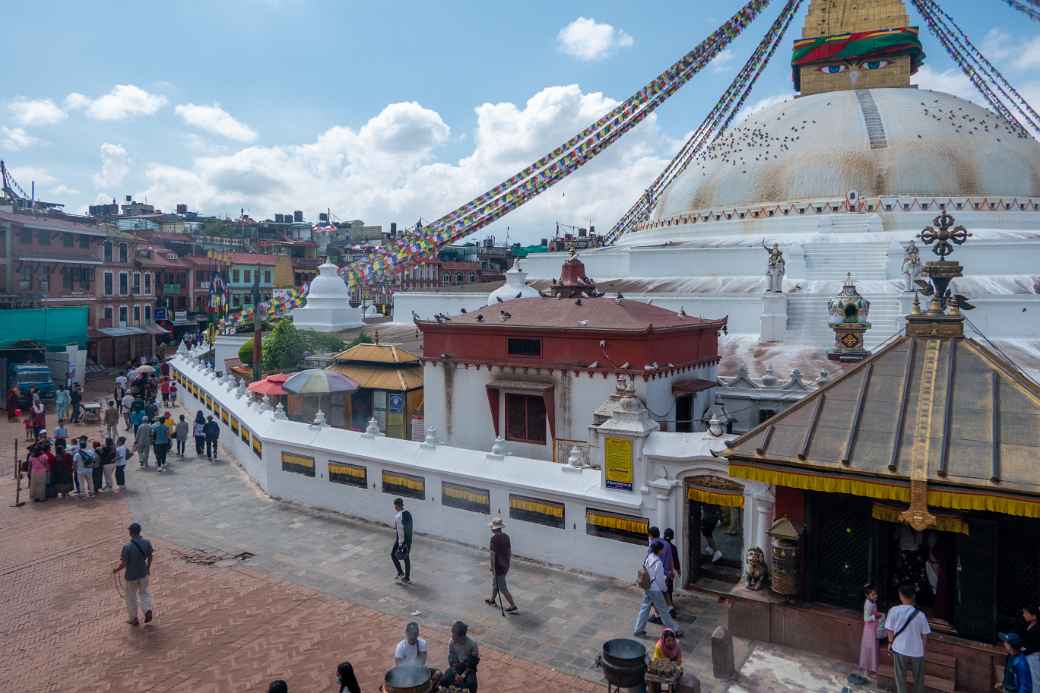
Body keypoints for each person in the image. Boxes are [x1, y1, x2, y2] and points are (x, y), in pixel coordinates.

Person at [884, 583, 931, 693]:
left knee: (900, 677)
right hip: (917, 651)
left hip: (899, 648)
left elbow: (889, 630)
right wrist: (922, 650)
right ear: (913, 596)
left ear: (900, 596)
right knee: (918, 679)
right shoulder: (920, 615)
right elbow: (925, 636)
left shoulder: (894, 610)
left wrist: (890, 643)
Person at [634, 541, 683, 638]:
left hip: (647, 586)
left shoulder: (649, 557)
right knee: (663, 610)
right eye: (662, 549)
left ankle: (638, 630)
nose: (663, 551)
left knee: (645, 608)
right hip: (655, 588)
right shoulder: (658, 562)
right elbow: (660, 579)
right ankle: (675, 630)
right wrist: (664, 589)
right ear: (659, 550)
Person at [112, 522, 154, 627]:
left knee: (131, 597)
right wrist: (148, 567)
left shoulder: (127, 547)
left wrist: (116, 570)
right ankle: (147, 610)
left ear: (130, 532)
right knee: (144, 593)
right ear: (139, 531)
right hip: (143, 573)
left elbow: (124, 563)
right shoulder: (147, 542)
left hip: (131, 576)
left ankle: (134, 618)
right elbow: (150, 556)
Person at [485, 516, 517, 613]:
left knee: (502, 587)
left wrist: (492, 568)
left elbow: (492, 555)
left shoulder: (493, 539)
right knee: (496, 584)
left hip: (498, 567)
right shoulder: (506, 536)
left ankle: (513, 605)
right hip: (505, 565)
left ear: (494, 529)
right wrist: (507, 562)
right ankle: (492, 600)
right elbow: (509, 551)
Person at [441, 621, 479, 692]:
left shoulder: (472, 644)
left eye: (454, 635)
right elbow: (451, 660)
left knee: (472, 683)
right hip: (457, 666)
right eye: (452, 634)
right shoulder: (451, 642)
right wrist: (455, 674)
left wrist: (464, 675)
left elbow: (473, 663)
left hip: (469, 668)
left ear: (462, 636)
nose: (452, 637)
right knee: (444, 679)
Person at [859, 583, 882, 678]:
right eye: (873, 594)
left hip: (873, 628)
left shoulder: (873, 602)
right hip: (869, 630)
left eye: (875, 594)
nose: (875, 596)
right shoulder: (868, 604)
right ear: (867, 595)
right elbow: (865, 618)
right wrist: (874, 616)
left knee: (873, 648)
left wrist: (877, 615)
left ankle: (872, 669)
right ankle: (866, 670)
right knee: (868, 648)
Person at [1016, 605, 1040, 692]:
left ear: (1034, 616)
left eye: (1026, 613)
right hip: (1028, 656)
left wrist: (1025, 649)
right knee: (1027, 680)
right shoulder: (1031, 624)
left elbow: (1036, 646)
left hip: (1034, 656)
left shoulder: (1037, 628)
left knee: (1036, 681)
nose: (1024, 615)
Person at [392, 497, 413, 583]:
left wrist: (402, 543)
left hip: (402, 540)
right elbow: (407, 529)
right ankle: (403, 574)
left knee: (400, 556)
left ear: (398, 506)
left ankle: (404, 576)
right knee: (404, 557)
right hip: (405, 540)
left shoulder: (399, 516)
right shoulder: (407, 513)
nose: (394, 507)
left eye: (395, 506)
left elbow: (403, 531)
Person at [663, 528, 682, 618]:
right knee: (668, 590)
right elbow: (676, 561)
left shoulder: (659, 544)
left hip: (658, 572)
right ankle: (670, 608)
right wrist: (678, 571)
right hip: (668, 572)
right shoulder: (672, 548)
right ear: (672, 537)